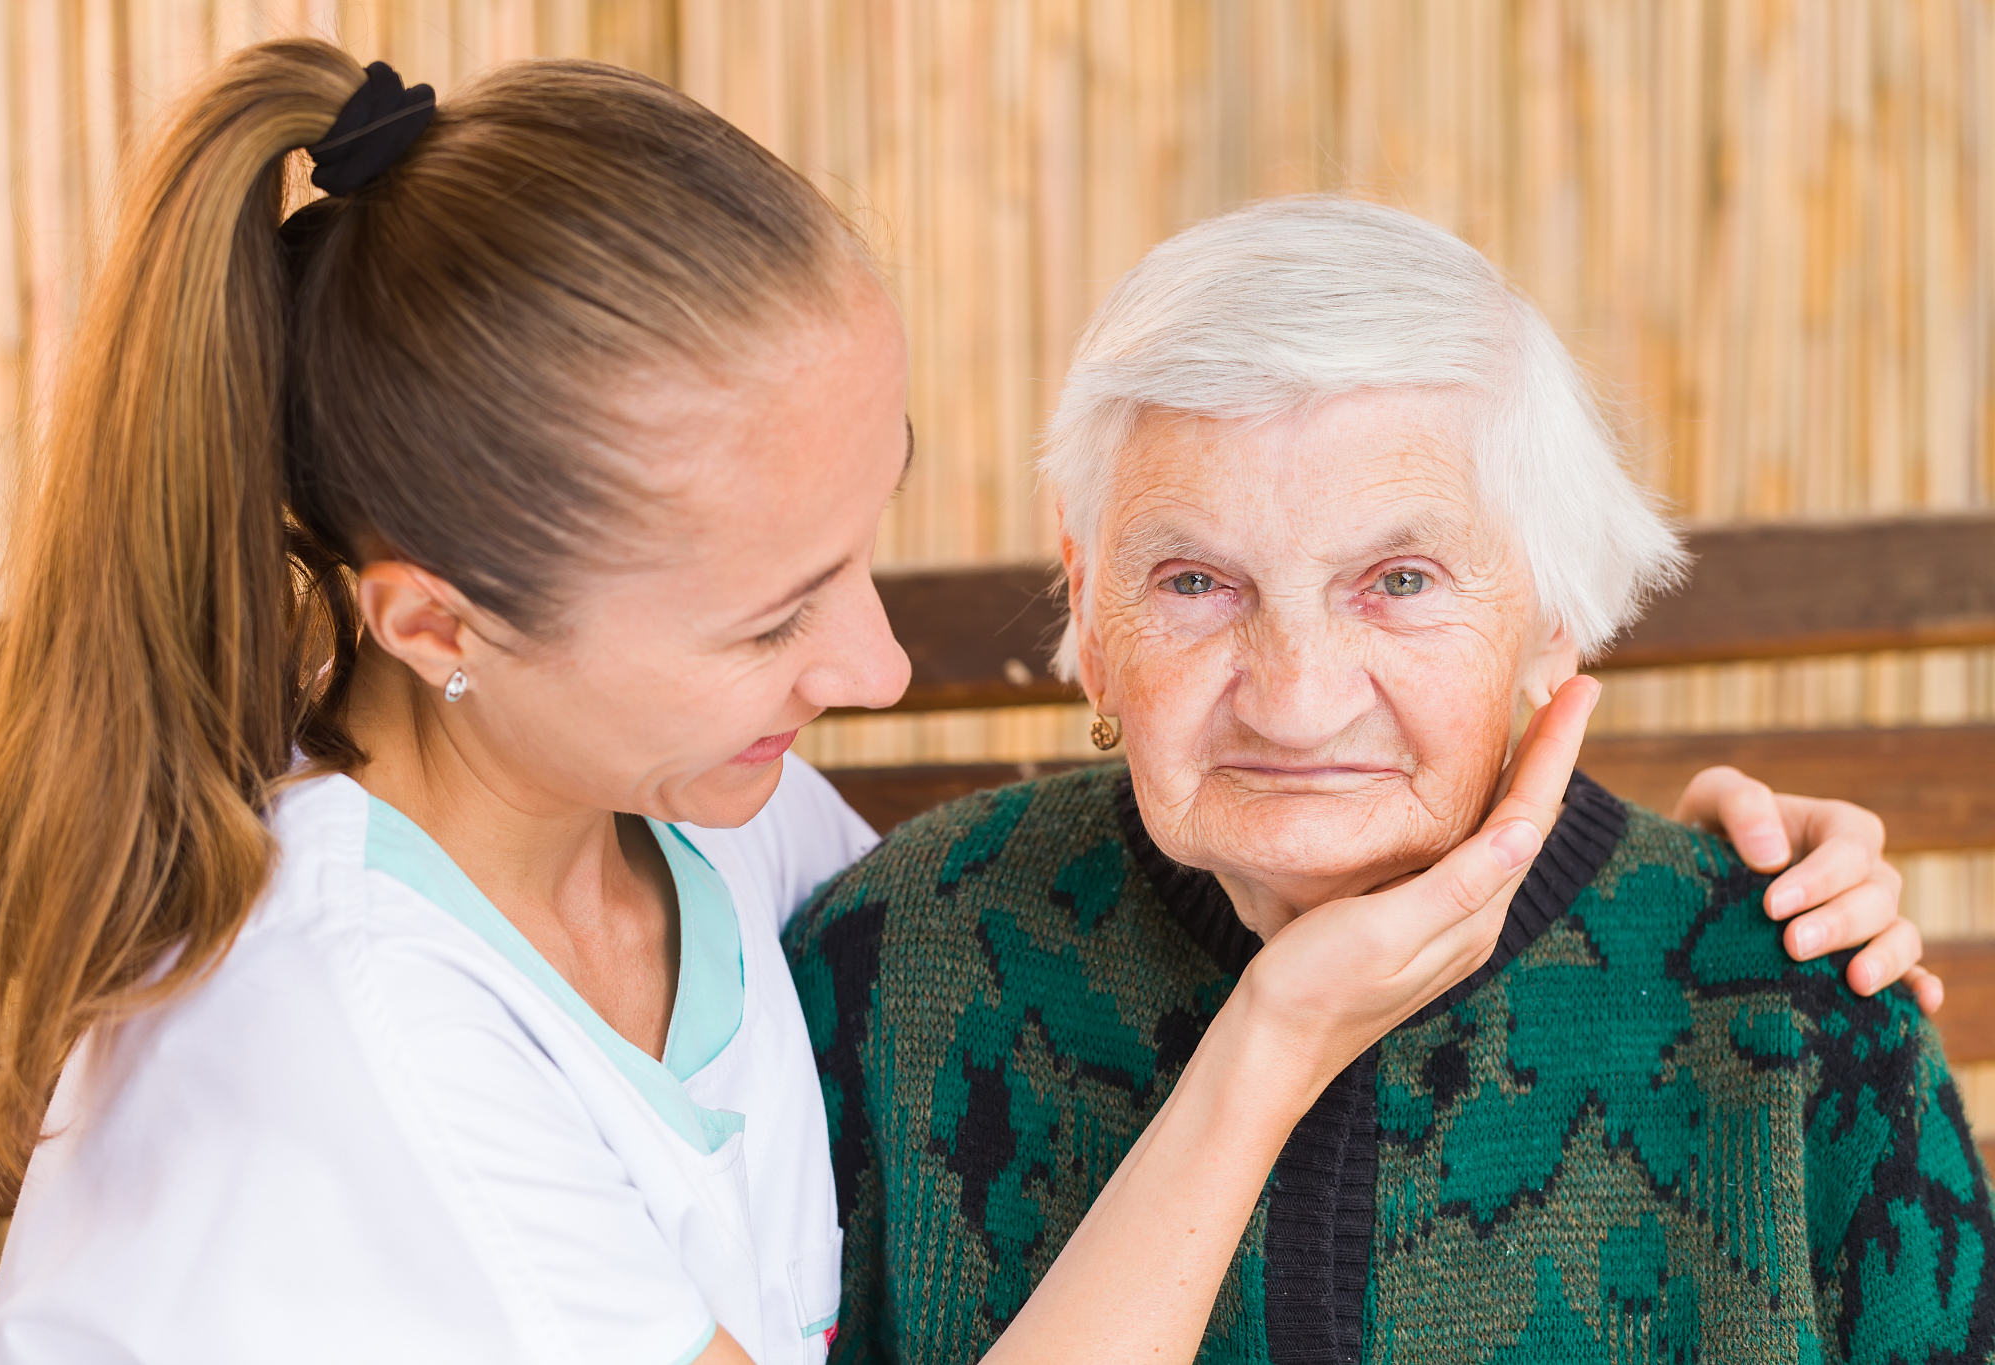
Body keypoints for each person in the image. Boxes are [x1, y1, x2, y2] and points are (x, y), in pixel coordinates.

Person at [0, 44, 1930, 1365]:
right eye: (770, 618)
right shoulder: (351, 1029)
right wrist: (1276, 1037)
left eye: (866, 537)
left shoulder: (718, 832)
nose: (880, 667)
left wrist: (1690, 876)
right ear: (440, 625)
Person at [784, 197, 1993, 1365]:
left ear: (1550, 613)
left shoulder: (1789, 998)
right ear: (1090, 612)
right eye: (1193, 583)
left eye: (1400, 581)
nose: (1296, 701)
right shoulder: (894, 957)